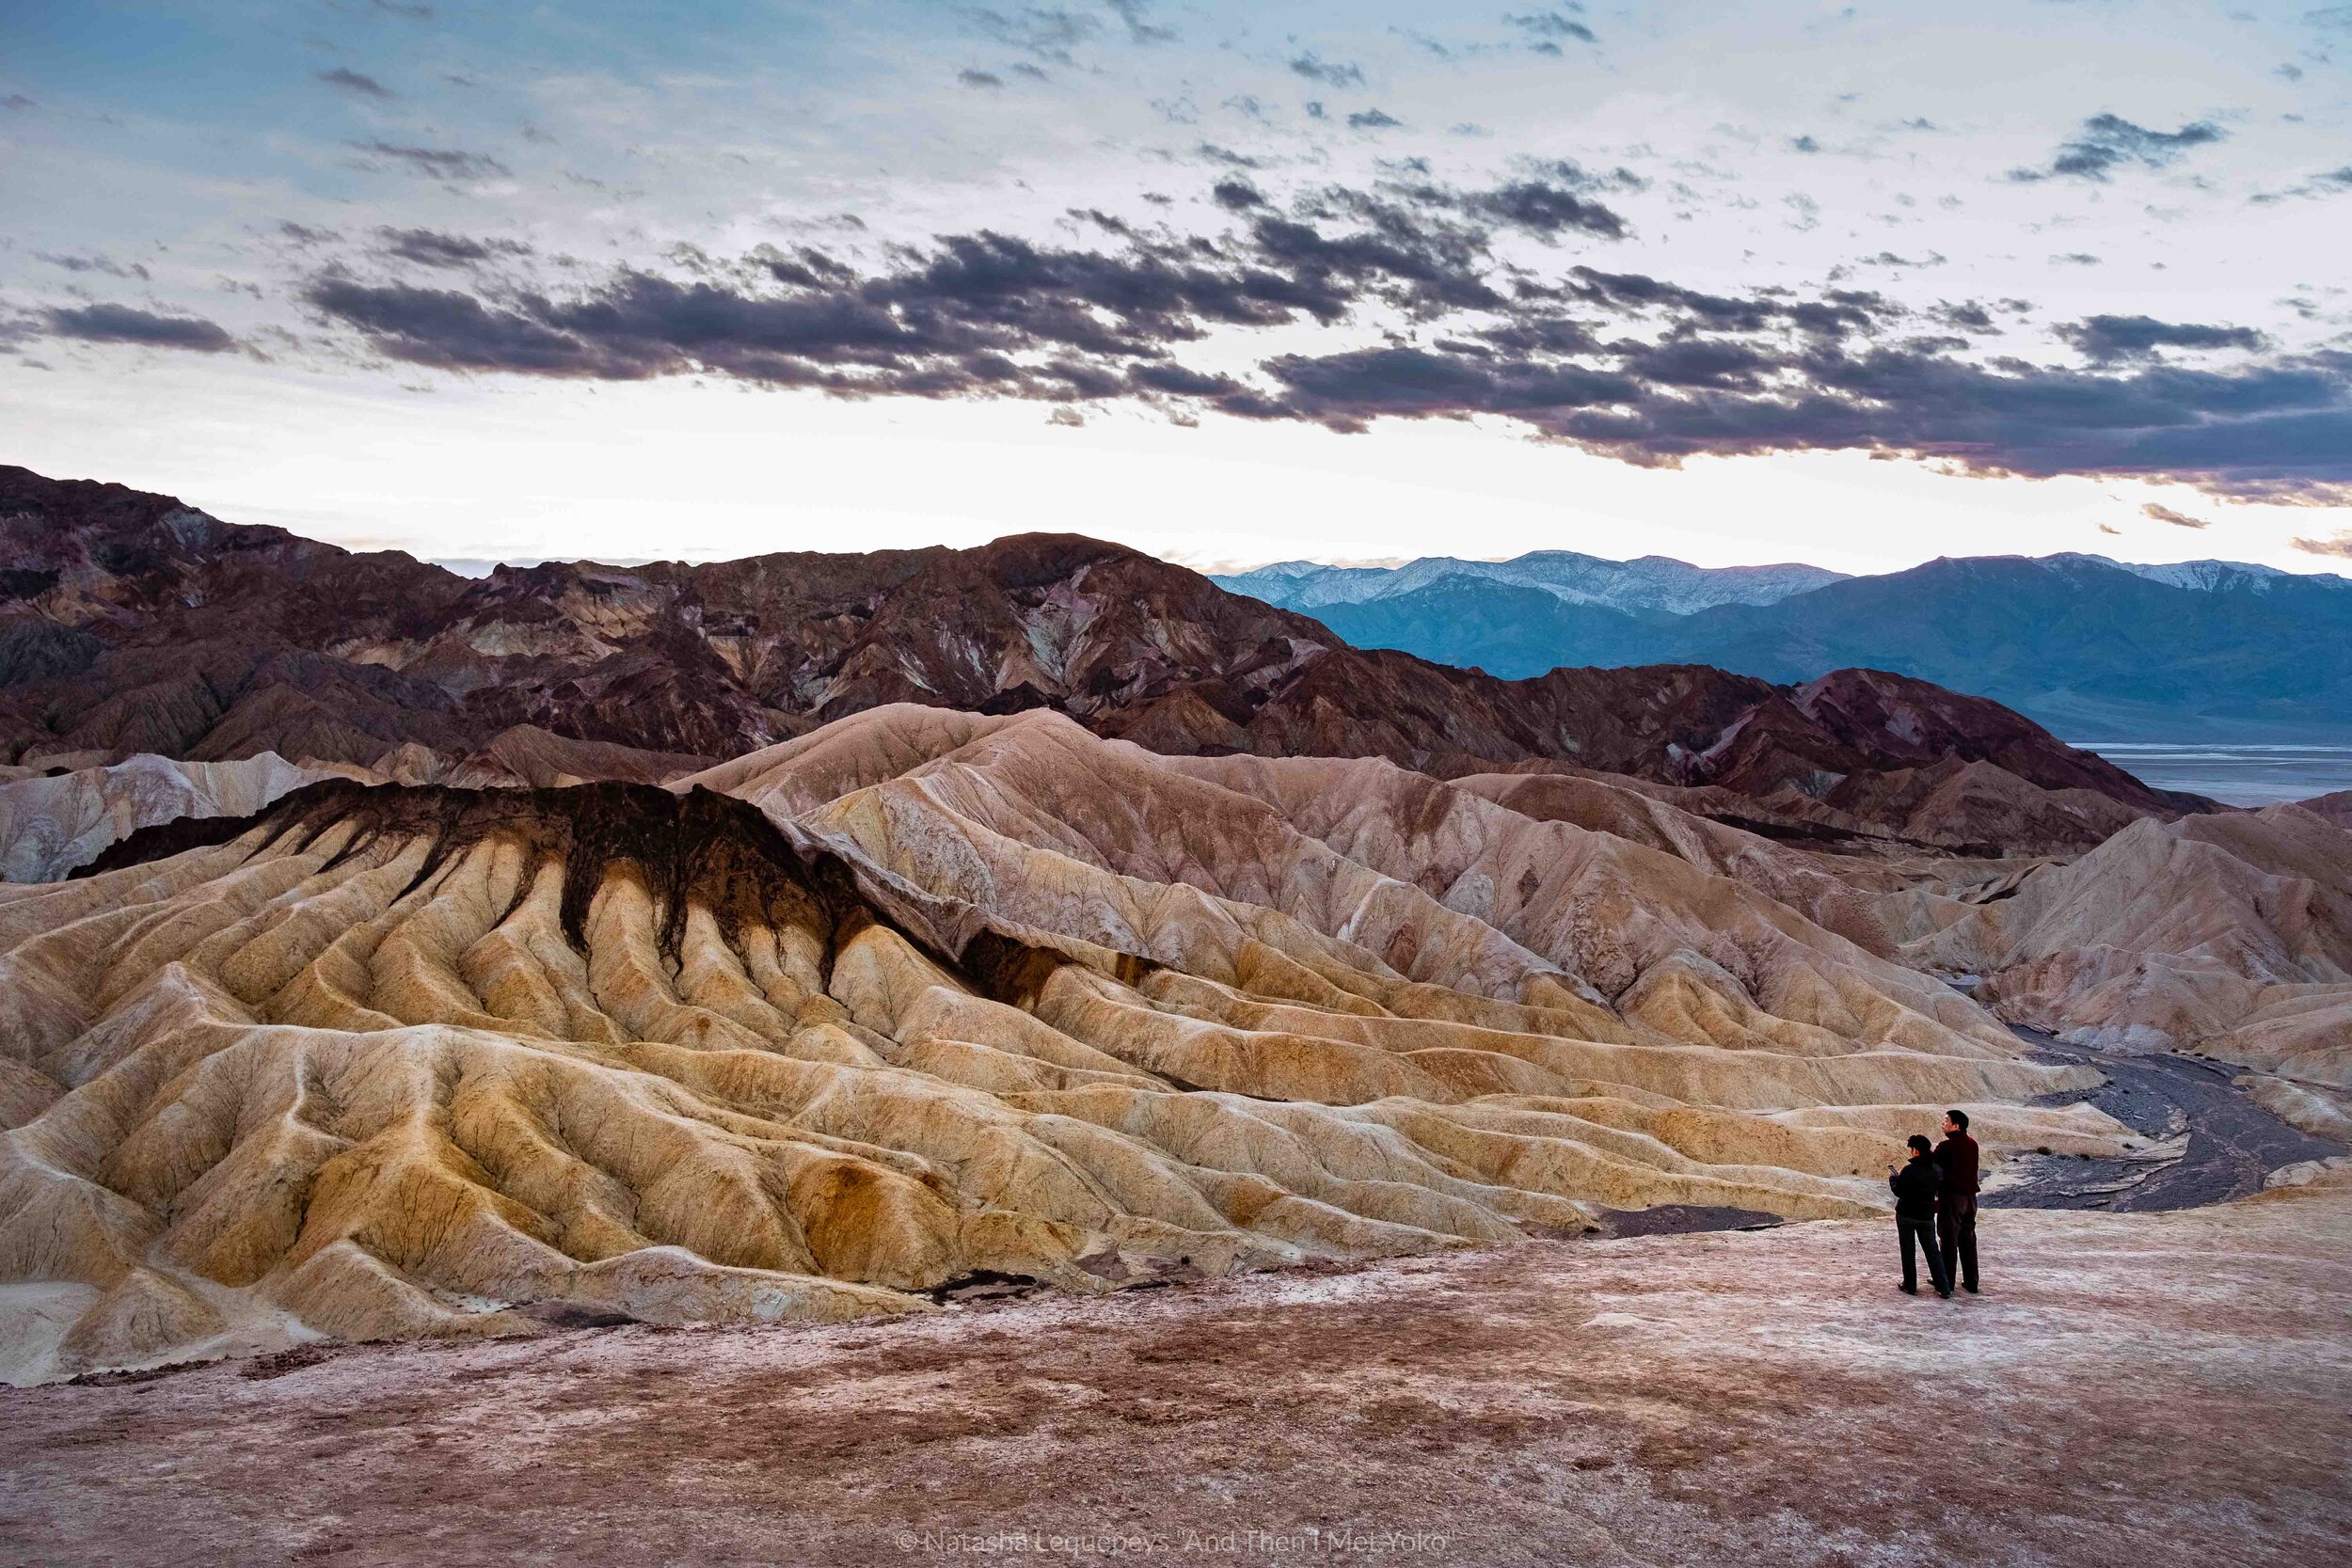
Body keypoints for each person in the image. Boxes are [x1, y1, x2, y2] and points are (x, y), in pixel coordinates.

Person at [1888, 1134, 1951, 1297]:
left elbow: (1899, 1191)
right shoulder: (1936, 1170)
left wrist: (1893, 1180)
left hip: (1906, 1214)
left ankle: (1910, 1285)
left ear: (1915, 1150)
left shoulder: (1909, 1170)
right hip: (1927, 1215)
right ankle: (1943, 1287)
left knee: (1908, 1250)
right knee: (1932, 1251)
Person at [1936, 1108, 1980, 1294]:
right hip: (1970, 1199)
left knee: (1948, 1240)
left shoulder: (1946, 1147)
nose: (1943, 1123)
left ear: (1956, 1125)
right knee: (1968, 1239)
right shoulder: (1972, 1144)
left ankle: (1946, 1281)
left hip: (1952, 1199)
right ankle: (1972, 1282)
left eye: (1946, 1121)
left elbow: (1932, 1165)